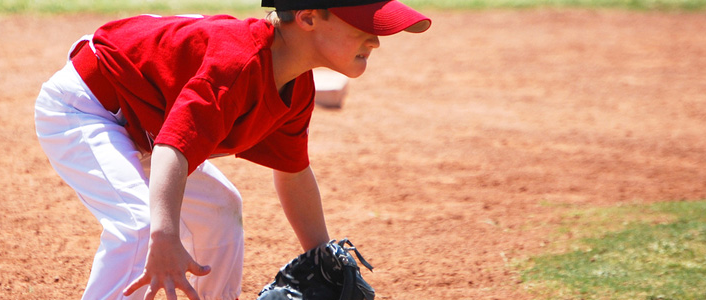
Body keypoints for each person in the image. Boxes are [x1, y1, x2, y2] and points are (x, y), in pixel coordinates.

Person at [34, 1, 430, 299]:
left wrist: (320, 257)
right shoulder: (238, 62)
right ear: (308, 18)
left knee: (222, 209)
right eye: (364, 26)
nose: (376, 40)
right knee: (143, 227)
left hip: (144, 123)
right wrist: (166, 235)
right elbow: (174, 148)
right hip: (86, 109)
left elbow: (293, 171)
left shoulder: (297, 86)